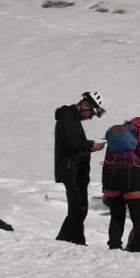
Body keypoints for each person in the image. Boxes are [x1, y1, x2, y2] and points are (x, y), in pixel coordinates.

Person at [53, 91, 105, 244]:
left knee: (80, 209)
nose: (91, 117)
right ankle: (71, 241)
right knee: (77, 209)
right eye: (92, 113)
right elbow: (70, 143)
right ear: (85, 105)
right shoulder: (67, 116)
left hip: (76, 171)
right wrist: (90, 145)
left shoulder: (72, 118)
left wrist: (89, 147)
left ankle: (70, 240)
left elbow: (74, 142)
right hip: (71, 171)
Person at [101, 115, 140, 251]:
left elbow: (107, 159)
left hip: (110, 175)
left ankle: (114, 246)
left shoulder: (117, 134)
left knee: (116, 216)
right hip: (130, 174)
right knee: (138, 216)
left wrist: (105, 186)